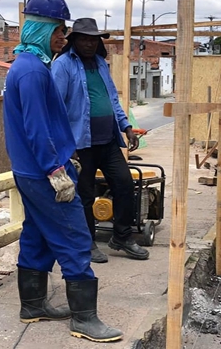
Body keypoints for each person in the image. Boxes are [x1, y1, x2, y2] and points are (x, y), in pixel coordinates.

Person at [3, 0, 122, 343]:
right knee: (74, 235)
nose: (62, 38)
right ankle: (85, 319)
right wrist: (56, 171)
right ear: (40, 30)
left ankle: (33, 304)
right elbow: (38, 129)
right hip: (43, 172)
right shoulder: (34, 73)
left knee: (38, 234)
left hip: (30, 169)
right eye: (58, 31)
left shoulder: (27, 67)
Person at [52, 17, 149, 263]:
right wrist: (66, 144)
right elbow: (56, 107)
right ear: (74, 40)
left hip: (107, 140)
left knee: (125, 184)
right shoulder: (63, 65)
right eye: (84, 39)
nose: (89, 44)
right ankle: (88, 244)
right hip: (80, 145)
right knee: (84, 194)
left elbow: (112, 100)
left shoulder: (100, 64)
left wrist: (126, 126)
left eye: (93, 39)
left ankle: (122, 237)